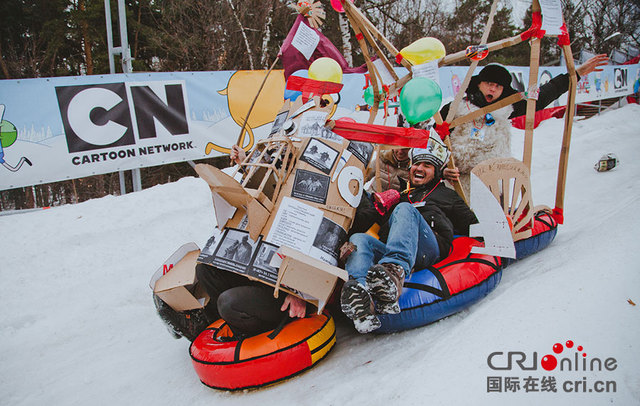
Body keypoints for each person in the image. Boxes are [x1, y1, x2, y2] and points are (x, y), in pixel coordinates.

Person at [340, 136, 477, 333]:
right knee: (359, 239)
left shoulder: (447, 195)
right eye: (416, 164)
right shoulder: (400, 195)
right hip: (394, 247)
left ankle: (394, 274)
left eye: (427, 165)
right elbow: (367, 224)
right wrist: (373, 204)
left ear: (437, 172)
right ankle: (362, 299)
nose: (419, 168)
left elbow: (472, 226)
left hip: (429, 248)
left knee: (405, 209)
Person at [438, 54, 609, 196]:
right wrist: (442, 170)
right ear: (478, 84)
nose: (493, 89)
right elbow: (435, 144)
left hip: (490, 184)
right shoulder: (455, 109)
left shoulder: (507, 108)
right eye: (489, 84)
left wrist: (575, 74)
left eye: (498, 86)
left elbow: (542, 97)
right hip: (455, 182)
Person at [196, 263, 308, 338]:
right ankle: (227, 321)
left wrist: (298, 292)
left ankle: (252, 334)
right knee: (204, 269)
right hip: (255, 274)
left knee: (227, 302)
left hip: (283, 293)